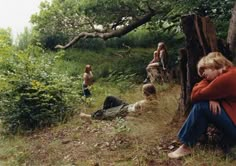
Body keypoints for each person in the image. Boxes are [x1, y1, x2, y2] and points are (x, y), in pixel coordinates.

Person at [168, 52, 236, 159]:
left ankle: (187, 146)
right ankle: (199, 139)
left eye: (204, 69)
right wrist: (212, 96)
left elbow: (195, 95)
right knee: (205, 105)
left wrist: (210, 95)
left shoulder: (228, 77)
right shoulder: (230, 73)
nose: (203, 74)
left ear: (213, 65)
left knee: (201, 106)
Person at [79, 83, 157, 120]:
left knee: (105, 113)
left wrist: (126, 118)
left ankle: (88, 116)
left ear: (145, 92)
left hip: (125, 111)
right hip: (127, 106)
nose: (142, 93)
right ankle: (104, 112)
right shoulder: (152, 100)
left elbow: (141, 118)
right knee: (110, 98)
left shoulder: (147, 104)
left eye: (143, 91)